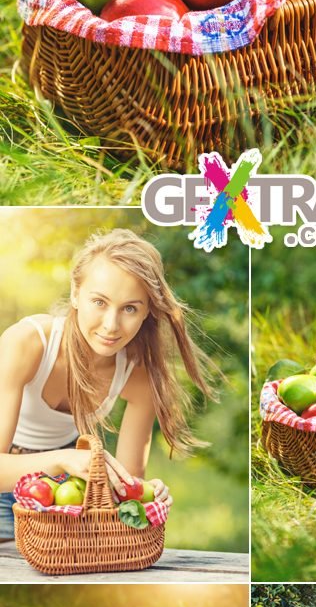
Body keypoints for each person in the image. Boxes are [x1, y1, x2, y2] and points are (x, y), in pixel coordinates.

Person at [0, 228, 212, 539]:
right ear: (76, 293)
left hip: (63, 491)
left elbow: (123, 492)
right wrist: (64, 458)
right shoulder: (28, 342)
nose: (111, 326)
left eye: (130, 308)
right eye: (99, 302)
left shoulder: (138, 374)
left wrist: (145, 492)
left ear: (147, 311)